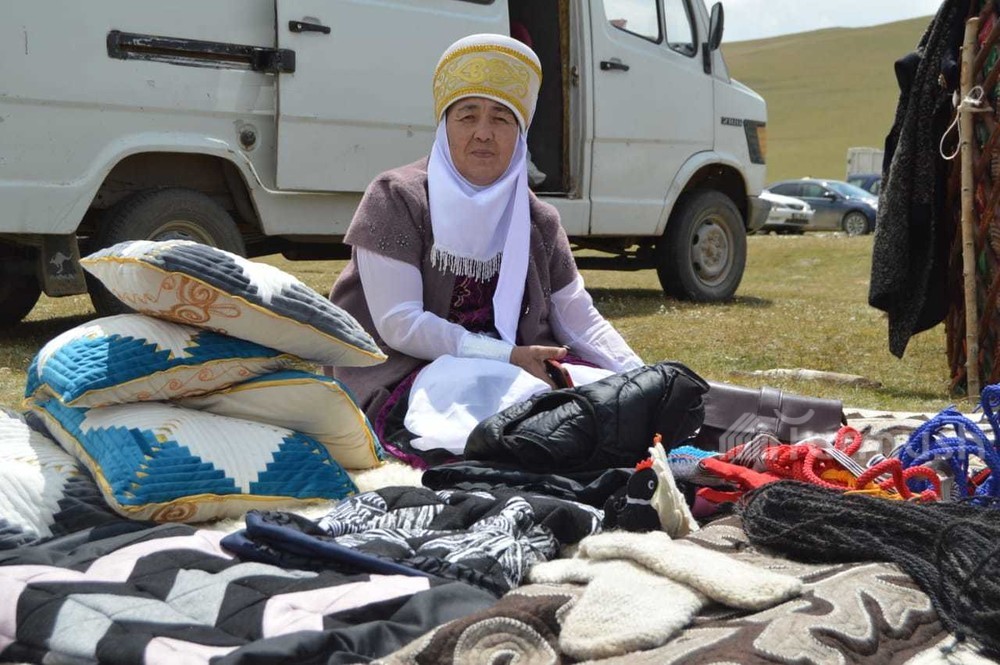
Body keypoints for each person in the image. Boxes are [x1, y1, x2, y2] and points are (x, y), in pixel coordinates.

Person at [328, 33, 642, 459]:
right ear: (444, 126)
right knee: (501, 405)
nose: (483, 133)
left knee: (604, 398)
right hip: (414, 369)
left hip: (519, 365)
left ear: (520, 134)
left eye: (501, 118)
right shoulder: (397, 197)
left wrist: (638, 373)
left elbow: (579, 319)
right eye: (467, 116)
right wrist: (504, 356)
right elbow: (400, 324)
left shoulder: (538, 219)